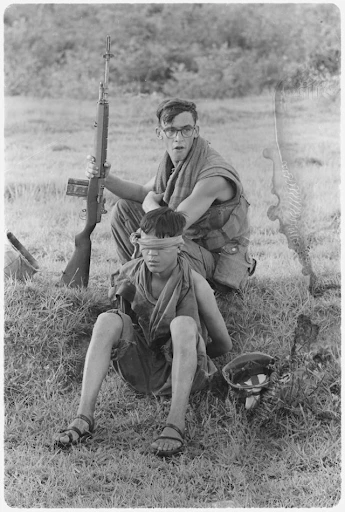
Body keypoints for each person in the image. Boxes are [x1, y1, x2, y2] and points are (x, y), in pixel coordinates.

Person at [54, 207, 233, 457]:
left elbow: (224, 344)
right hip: (140, 367)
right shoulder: (129, 273)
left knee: (183, 324)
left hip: (182, 374)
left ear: (179, 246)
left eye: (160, 248)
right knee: (107, 319)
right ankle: (84, 417)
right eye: (146, 247)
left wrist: (188, 355)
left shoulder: (196, 284)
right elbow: (117, 330)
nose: (151, 255)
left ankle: (175, 423)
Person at [86, 98, 256, 292]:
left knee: (171, 243)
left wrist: (149, 205)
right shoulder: (176, 164)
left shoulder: (213, 176)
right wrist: (105, 178)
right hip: (191, 243)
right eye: (171, 131)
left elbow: (175, 225)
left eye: (186, 130)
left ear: (196, 131)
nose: (179, 138)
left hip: (216, 260)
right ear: (160, 133)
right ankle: (139, 281)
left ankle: (163, 285)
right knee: (124, 209)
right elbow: (142, 192)